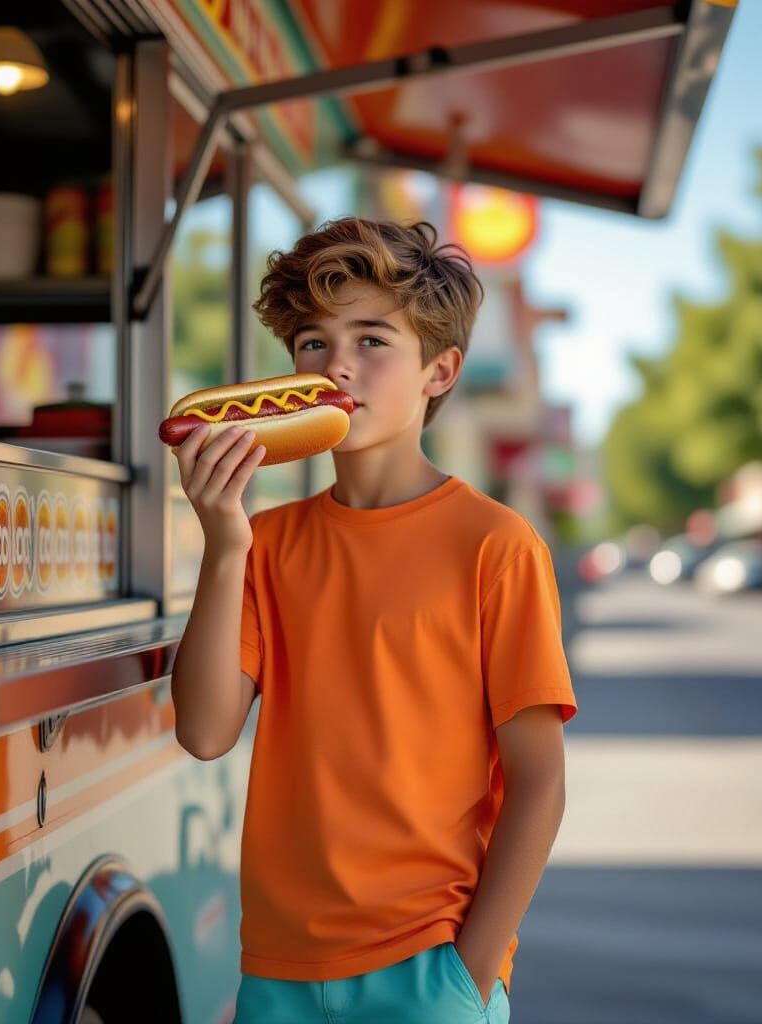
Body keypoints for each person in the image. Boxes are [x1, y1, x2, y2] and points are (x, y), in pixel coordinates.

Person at [171, 217, 578, 1023]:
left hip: (430, 968)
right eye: (313, 344)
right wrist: (223, 544)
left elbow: (541, 781)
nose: (337, 366)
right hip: (278, 969)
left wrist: (470, 973)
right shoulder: (264, 544)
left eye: (371, 340)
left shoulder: (495, 545)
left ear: (440, 370)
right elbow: (205, 731)